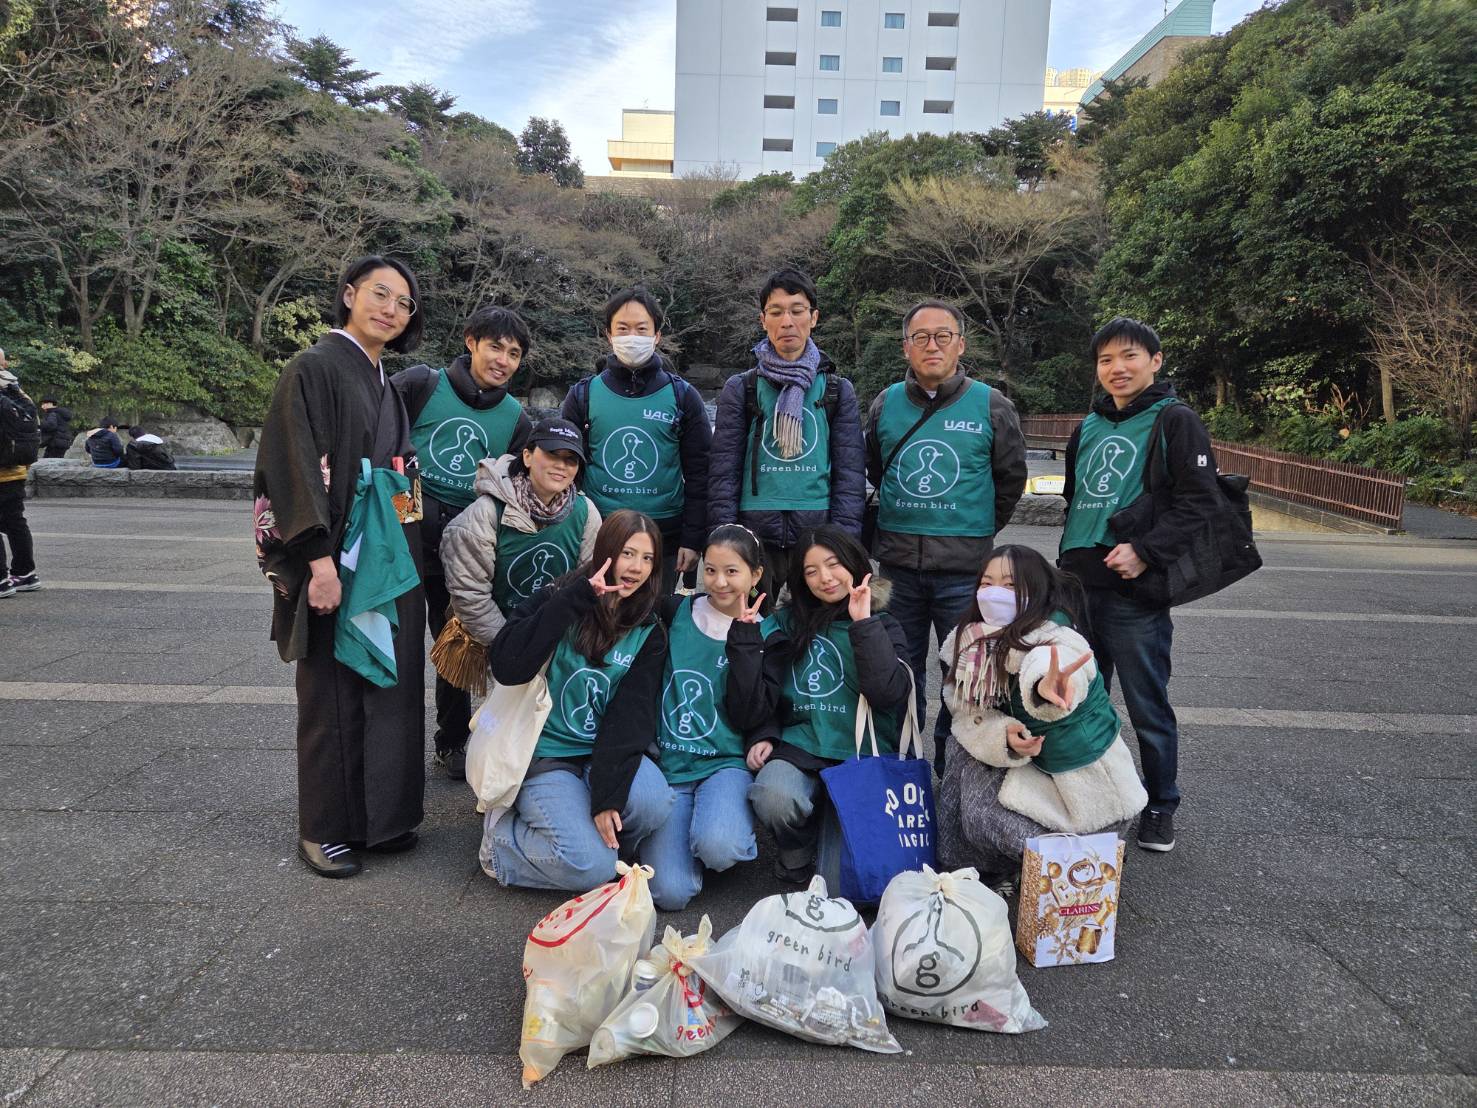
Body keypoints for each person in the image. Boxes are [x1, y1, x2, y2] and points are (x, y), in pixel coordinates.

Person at [253, 254, 428, 879]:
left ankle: (378, 820)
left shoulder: (387, 381)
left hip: (385, 560)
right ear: (349, 294)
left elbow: (403, 469)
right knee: (330, 691)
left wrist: (410, 555)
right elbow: (292, 467)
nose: (390, 309)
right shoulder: (313, 368)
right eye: (380, 294)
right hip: (335, 558)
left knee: (383, 688)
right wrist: (318, 560)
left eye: (403, 303)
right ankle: (323, 827)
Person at [1060, 317, 1221, 853]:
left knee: (1147, 704)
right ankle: (1086, 799)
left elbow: (1201, 501)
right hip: (1078, 588)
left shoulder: (1174, 420)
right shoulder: (1086, 427)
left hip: (1133, 592)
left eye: (1129, 356)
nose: (1117, 368)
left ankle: (1161, 804)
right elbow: (1074, 500)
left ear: (1155, 361)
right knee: (1078, 700)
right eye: (1105, 360)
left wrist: (1147, 552)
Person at [865, 300, 1027, 771]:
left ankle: (951, 771)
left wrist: (972, 527)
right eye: (920, 337)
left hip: (965, 572)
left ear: (960, 343)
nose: (931, 345)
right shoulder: (886, 403)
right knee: (896, 672)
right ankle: (902, 771)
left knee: (965, 677)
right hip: (896, 570)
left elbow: (1010, 479)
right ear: (905, 348)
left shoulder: (991, 404)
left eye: (942, 335)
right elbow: (876, 466)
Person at [482, 510, 675, 891]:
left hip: (598, 753)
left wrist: (608, 796)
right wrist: (575, 599)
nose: (636, 567)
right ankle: (501, 846)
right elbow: (507, 665)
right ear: (606, 552)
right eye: (627, 554)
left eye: (647, 558)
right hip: (545, 755)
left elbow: (630, 717)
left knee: (653, 802)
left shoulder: (647, 627)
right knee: (589, 867)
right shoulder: (562, 596)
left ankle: (600, 840)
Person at [937, 545, 1147, 885]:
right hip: (1031, 768)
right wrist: (1002, 733)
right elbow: (966, 714)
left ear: (1035, 591)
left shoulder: (1056, 636)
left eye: (1009, 585)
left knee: (992, 821)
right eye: (986, 583)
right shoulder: (970, 642)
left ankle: (1078, 869)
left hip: (1087, 795)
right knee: (962, 749)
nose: (994, 593)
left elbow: (1057, 665)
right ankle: (978, 867)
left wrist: (1046, 688)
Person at [392, 306, 534, 779]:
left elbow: (514, 484)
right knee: (393, 642)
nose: (503, 360)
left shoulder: (515, 417)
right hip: (405, 539)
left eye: (514, 354)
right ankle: (385, 742)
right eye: (496, 346)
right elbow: (384, 448)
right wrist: (408, 518)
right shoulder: (421, 384)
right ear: (471, 340)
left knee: (456, 645)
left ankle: (451, 741)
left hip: (465, 551)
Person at [748, 525, 912, 886]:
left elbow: (889, 694)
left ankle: (832, 820)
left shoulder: (883, 623)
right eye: (810, 571)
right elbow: (759, 690)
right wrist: (764, 734)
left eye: (834, 564)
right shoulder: (785, 623)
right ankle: (796, 851)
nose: (825, 578)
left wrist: (863, 623)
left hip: (862, 752)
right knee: (774, 796)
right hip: (801, 744)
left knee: (840, 885)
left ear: (854, 563)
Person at [641, 524, 788, 910]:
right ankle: (690, 840)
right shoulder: (676, 610)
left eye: (732, 571)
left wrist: (744, 638)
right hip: (671, 764)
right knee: (669, 893)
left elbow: (751, 711)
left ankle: (720, 832)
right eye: (710, 570)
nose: (719, 582)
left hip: (726, 763)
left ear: (756, 575)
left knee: (719, 848)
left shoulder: (770, 632)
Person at [709, 268, 865, 588]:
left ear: (814, 317)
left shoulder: (836, 390)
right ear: (763, 320)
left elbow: (850, 477)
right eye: (776, 312)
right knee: (751, 633)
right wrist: (725, 540)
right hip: (754, 537)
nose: (787, 321)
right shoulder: (742, 388)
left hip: (817, 537)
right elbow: (724, 472)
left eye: (797, 310)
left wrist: (843, 544)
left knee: (811, 632)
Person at [560, 287, 710, 594]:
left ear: (657, 335)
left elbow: (701, 473)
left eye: (642, 329)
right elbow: (563, 470)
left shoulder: (683, 396)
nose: (633, 336)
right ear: (608, 334)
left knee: (653, 624)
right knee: (595, 619)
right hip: (598, 533)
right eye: (623, 329)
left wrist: (692, 539)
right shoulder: (583, 395)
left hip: (663, 538)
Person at [439, 418, 601, 665]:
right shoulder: (485, 514)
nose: (561, 465)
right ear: (527, 456)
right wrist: (512, 646)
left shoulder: (586, 513)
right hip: (501, 637)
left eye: (571, 459)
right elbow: (470, 594)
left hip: (559, 640)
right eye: (551, 454)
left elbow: (590, 582)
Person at [0, 359, 40, 598]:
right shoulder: (17, 390)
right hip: (16, 470)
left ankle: (2, 580)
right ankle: (25, 573)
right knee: (15, 521)